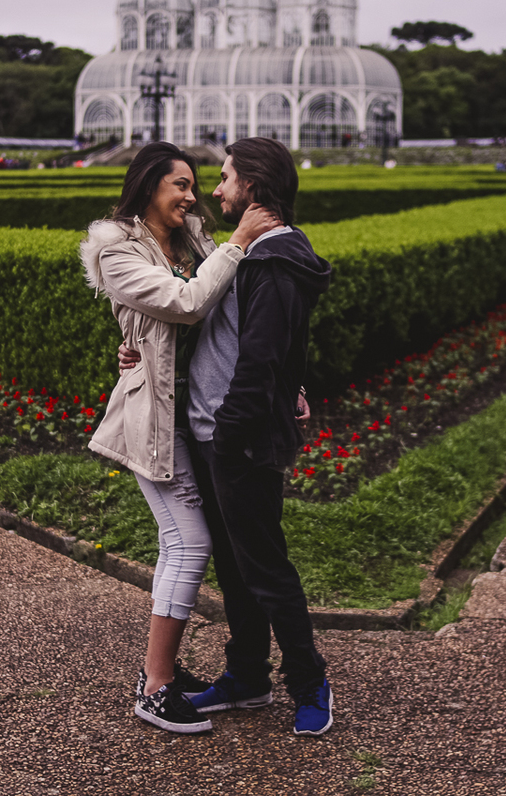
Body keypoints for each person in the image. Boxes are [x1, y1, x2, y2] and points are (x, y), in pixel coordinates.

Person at [120, 138, 335, 736]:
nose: (214, 191)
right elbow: (214, 321)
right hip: (214, 431)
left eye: (223, 178)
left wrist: (239, 431)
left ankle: (309, 681)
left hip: (234, 436)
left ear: (253, 186)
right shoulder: (250, 252)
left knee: (265, 566)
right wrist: (140, 352)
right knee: (239, 567)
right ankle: (247, 676)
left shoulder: (273, 256)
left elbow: (265, 357)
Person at [80, 142, 281, 734]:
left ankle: (163, 674)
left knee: (191, 543)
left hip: (195, 416)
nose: (194, 197)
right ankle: (155, 685)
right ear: (148, 186)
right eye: (181, 185)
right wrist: (241, 241)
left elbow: (229, 303)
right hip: (154, 422)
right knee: (188, 542)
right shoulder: (115, 251)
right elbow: (190, 302)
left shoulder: (190, 238)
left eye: (197, 185)